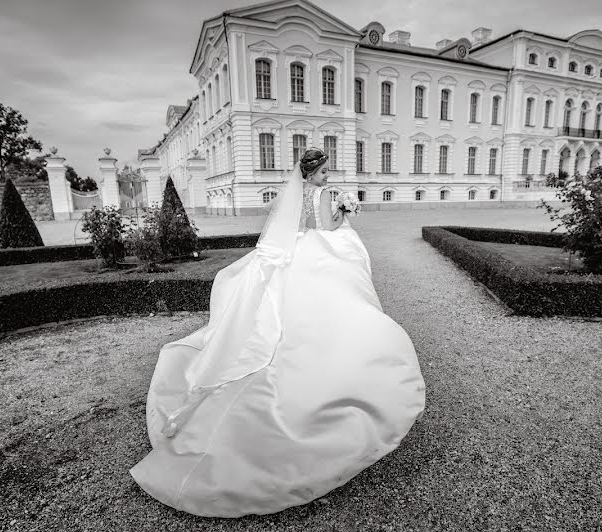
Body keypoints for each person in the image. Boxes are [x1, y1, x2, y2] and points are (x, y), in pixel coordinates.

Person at [129, 147, 426, 518]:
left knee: (284, 317)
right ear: (313, 173)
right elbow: (324, 229)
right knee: (332, 312)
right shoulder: (321, 196)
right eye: (324, 172)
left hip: (296, 253)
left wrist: (340, 210)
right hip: (318, 253)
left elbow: (298, 228)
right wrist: (345, 213)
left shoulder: (297, 194)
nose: (328, 177)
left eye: (328, 173)